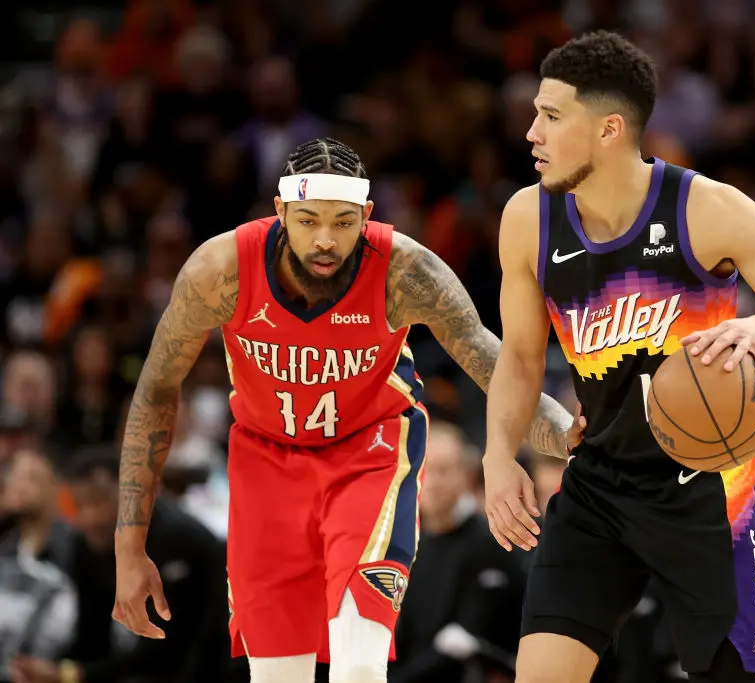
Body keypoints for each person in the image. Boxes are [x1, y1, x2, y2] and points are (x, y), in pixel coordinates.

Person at [112, 138, 579, 683]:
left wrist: (567, 433)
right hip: (265, 459)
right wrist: (129, 546)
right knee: (276, 677)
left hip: (371, 453)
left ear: (367, 217)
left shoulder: (405, 269)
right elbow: (155, 390)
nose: (326, 240)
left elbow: (490, 362)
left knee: (358, 664)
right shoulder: (221, 270)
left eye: (343, 221)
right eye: (308, 220)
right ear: (281, 212)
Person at [483, 31, 755, 683]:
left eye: (550, 117)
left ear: (608, 129)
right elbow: (519, 357)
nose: (530, 134)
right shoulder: (527, 219)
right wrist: (497, 458)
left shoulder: (706, 209)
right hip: (597, 479)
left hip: (703, 487)